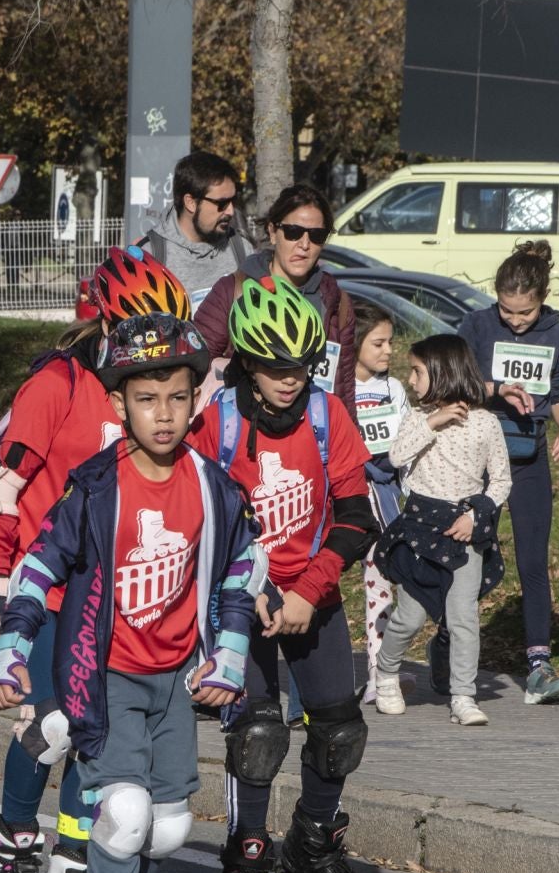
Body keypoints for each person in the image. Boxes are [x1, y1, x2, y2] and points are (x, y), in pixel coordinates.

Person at [0, 314, 258, 873]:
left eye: (177, 397)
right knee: (126, 812)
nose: (164, 414)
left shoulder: (212, 487)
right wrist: (11, 654)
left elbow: (242, 566)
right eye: (147, 399)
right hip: (101, 678)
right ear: (119, 407)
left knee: (167, 832)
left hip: (175, 682)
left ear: (196, 401)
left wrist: (228, 657)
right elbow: (40, 569)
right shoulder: (97, 488)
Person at [0, 245, 195, 873]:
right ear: (104, 322)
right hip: (46, 587)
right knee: (51, 725)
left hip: (112, 599)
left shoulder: (149, 400)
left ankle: (72, 866)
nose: (153, 358)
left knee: (97, 741)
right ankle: (12, 840)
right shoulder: (59, 384)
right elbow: (1, 488)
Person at [185, 275, 381, 873]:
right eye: (274, 368)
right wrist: (251, 590)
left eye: (300, 366)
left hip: (311, 595)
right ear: (243, 361)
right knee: (260, 734)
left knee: (340, 732)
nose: (289, 381)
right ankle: (246, 856)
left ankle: (312, 843)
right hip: (240, 597)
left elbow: (359, 517)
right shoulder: (218, 424)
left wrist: (309, 590)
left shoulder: (329, 418)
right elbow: (199, 521)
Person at [445, 239, 559, 706]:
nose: (516, 321)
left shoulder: (558, 336)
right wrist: (498, 389)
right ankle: (448, 645)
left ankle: (539, 666)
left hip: (527, 461)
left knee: (532, 562)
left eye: (525, 314)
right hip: (476, 461)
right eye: (508, 311)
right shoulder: (478, 326)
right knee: (467, 558)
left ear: (541, 298)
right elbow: (453, 383)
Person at [372, 334, 512, 725]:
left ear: (442, 372)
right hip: (420, 530)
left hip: (465, 530)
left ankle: (463, 696)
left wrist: (476, 515)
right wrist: (432, 421)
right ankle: (385, 672)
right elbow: (396, 457)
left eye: (417, 371)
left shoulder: (485, 424)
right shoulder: (417, 419)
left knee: (462, 617)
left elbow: (501, 480)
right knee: (410, 617)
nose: (411, 380)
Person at [194, 182, 358, 414]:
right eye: (293, 232)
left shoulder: (337, 303)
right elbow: (194, 365)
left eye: (317, 235)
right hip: (244, 432)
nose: (304, 245)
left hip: (315, 435)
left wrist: (351, 443)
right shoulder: (232, 290)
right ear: (272, 232)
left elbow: (345, 389)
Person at [350, 301, 408, 707]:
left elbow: (403, 443)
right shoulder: (338, 389)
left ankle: (378, 673)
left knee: (381, 586)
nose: (388, 351)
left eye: (391, 343)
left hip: (387, 499)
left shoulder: (396, 388)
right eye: (379, 343)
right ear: (355, 344)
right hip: (348, 496)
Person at [134, 150, 252, 306]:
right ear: (190, 202)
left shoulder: (242, 251)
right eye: (222, 203)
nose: (230, 211)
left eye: (233, 200)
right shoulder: (150, 256)